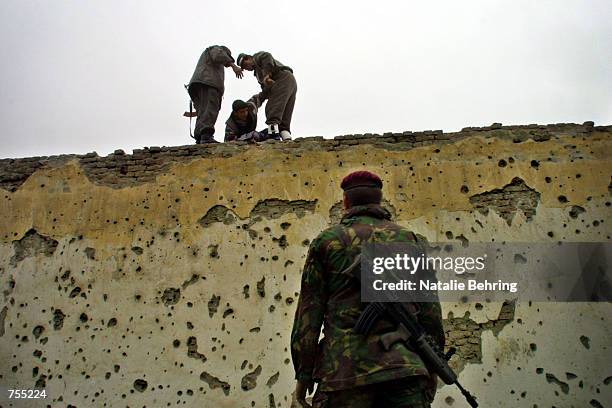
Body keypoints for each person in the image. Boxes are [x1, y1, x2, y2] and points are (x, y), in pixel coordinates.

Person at [290, 171, 445, 408]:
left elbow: (309, 316)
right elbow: (430, 311)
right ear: (379, 201)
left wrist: (303, 375)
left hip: (344, 372)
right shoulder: (411, 240)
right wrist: (432, 366)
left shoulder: (327, 242)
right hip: (404, 372)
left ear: (345, 203)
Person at [188, 45, 243, 144]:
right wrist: (233, 66)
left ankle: (200, 137)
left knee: (203, 111)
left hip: (199, 84)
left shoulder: (210, 59)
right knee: (210, 108)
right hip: (208, 83)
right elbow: (218, 54)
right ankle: (206, 135)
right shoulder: (216, 49)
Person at [236, 51, 297, 141]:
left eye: (245, 65)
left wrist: (267, 75)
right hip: (290, 81)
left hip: (282, 78)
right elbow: (266, 90)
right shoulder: (258, 73)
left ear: (248, 58)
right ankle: (286, 136)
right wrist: (257, 101)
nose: (246, 69)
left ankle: (273, 135)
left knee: (272, 107)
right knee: (285, 112)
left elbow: (266, 56)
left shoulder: (257, 58)